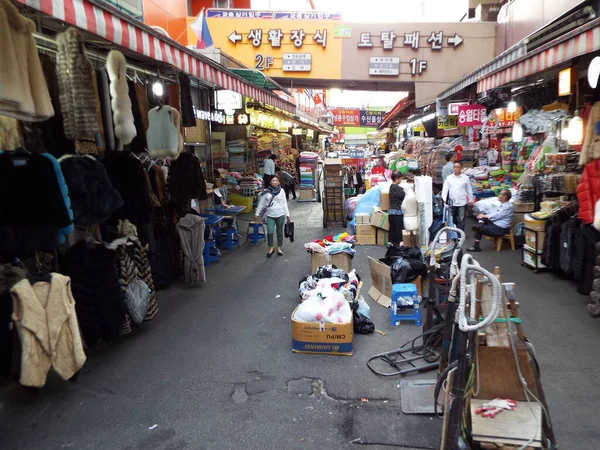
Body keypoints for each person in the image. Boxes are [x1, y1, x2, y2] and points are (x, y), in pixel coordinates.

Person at [255, 175, 291, 257]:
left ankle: (279, 247)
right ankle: (271, 247)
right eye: (273, 180)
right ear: (270, 182)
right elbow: (261, 203)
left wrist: (288, 214)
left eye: (276, 180)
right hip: (270, 215)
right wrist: (257, 214)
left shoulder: (281, 191)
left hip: (280, 214)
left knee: (279, 232)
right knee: (270, 232)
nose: (274, 182)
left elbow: (284, 203)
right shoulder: (266, 191)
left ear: (278, 182)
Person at [441, 161, 473, 231]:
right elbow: (445, 189)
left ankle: (460, 234)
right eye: (454, 167)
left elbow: (469, 189)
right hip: (452, 202)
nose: (456, 169)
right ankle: (453, 233)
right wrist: (443, 200)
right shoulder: (449, 178)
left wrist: (471, 199)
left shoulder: (465, 178)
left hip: (462, 202)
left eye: (458, 167)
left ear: (461, 168)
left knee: (461, 219)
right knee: (452, 218)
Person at [388, 171, 406, 247]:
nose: (401, 180)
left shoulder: (391, 186)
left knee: (392, 229)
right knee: (399, 230)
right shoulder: (397, 188)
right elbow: (403, 195)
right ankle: (399, 245)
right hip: (397, 212)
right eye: (400, 179)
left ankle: (392, 244)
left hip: (391, 212)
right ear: (397, 179)